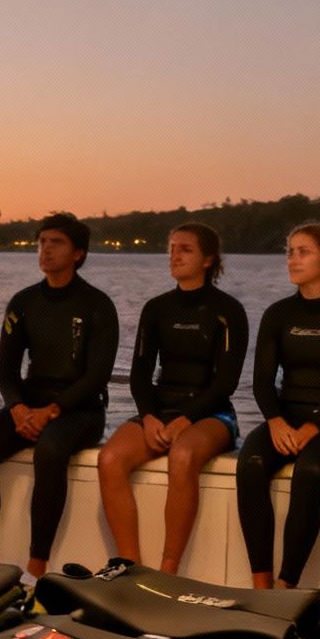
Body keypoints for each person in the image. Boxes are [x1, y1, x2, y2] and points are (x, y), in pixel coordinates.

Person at [0, 213, 119, 578]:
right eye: (42, 242)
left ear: (78, 254)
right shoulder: (23, 302)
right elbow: (5, 370)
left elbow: (97, 376)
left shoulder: (97, 305)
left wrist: (52, 410)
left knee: (50, 450)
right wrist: (17, 407)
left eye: (56, 242)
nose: (46, 249)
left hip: (82, 409)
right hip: (31, 404)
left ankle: (36, 569)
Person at [97, 224, 248, 572]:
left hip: (212, 413)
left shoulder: (229, 311)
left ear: (208, 260)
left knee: (181, 455)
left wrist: (186, 419)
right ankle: (129, 565)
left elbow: (226, 383)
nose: (175, 256)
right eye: (172, 249)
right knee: (110, 459)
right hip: (161, 410)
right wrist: (150, 417)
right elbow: (140, 375)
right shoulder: (156, 309)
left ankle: (169, 569)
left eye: (186, 249)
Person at [235, 223, 320, 590]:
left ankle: (286, 586)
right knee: (250, 464)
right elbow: (262, 382)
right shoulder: (278, 314)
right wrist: (276, 421)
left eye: (303, 252)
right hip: (286, 418)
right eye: (290, 252)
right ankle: (261, 585)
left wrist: (313, 427)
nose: (292, 260)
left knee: (309, 470)